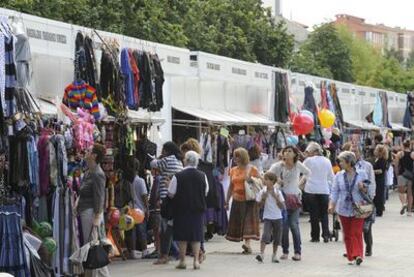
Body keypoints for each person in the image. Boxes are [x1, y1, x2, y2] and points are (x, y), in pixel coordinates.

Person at [328, 151, 374, 266]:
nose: (340, 163)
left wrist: (363, 187)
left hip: (359, 206)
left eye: (342, 161)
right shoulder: (338, 175)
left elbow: (367, 188)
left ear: (349, 162)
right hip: (343, 207)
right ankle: (351, 256)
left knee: (356, 232)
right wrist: (331, 205)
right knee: (347, 234)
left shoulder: (361, 173)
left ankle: (358, 255)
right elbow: (334, 191)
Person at [168, 151, 209, 270]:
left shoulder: (178, 176)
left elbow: (171, 193)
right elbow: (205, 191)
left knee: (182, 236)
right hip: (198, 209)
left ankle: (182, 261)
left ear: (185, 160)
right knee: (196, 236)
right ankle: (196, 261)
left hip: (181, 209)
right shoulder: (202, 175)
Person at [269, 146, 310, 261]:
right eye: (285, 151)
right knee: (284, 226)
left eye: (289, 151)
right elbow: (267, 176)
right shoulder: (278, 166)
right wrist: (276, 180)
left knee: (294, 225)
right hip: (281, 199)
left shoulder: (298, 165)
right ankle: (285, 251)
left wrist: (300, 183)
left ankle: (298, 252)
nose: (287, 153)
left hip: (295, 198)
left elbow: (307, 172)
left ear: (295, 154)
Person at [77, 143, 110, 277]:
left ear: (94, 155)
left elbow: (99, 196)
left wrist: (97, 216)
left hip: (91, 213)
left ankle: (99, 274)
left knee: (92, 246)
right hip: (86, 211)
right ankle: (96, 274)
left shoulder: (98, 173)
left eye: (89, 150)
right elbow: (84, 191)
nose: (86, 151)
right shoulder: (89, 172)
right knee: (91, 245)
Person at [150, 142, 184, 265]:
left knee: (165, 228)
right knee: (172, 227)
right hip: (176, 197)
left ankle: (165, 255)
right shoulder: (179, 161)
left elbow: (153, 164)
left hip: (167, 198)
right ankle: (178, 253)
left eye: (163, 150)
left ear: (167, 150)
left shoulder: (167, 159)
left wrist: (159, 158)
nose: (162, 152)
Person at [225, 147, 260, 254]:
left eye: (238, 156)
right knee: (240, 222)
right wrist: (227, 201)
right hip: (237, 199)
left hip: (249, 200)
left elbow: (260, 182)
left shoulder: (252, 169)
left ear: (243, 157)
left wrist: (252, 179)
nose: (235, 158)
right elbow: (231, 186)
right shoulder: (232, 170)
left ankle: (247, 244)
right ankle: (247, 245)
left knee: (247, 222)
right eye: (235, 156)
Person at [303, 142, 334, 243]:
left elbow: (303, 172)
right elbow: (330, 176)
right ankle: (326, 234)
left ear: (314, 151)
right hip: (324, 189)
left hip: (311, 189)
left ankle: (315, 236)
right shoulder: (327, 161)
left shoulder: (308, 161)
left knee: (314, 214)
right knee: (324, 213)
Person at [350, 144, 376, 257]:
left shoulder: (367, 166)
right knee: (352, 228)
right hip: (351, 200)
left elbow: (371, 181)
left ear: (359, 153)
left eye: (355, 151)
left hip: (364, 200)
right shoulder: (347, 166)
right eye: (351, 151)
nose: (352, 154)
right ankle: (354, 250)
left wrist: (370, 196)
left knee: (366, 227)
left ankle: (368, 247)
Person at [255, 172, 285, 263]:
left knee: (277, 237)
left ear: (272, 181)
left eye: (267, 179)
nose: (265, 181)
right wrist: (263, 198)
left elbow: (282, 206)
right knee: (265, 235)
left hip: (277, 217)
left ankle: (274, 255)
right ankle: (262, 254)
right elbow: (259, 206)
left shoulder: (278, 192)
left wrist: (276, 197)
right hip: (267, 217)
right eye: (265, 179)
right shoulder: (262, 191)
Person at [122, 158, 149, 259]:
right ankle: (145, 251)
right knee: (141, 231)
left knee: (131, 232)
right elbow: (144, 196)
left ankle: (133, 251)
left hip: (129, 210)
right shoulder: (140, 181)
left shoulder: (127, 181)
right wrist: (147, 209)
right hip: (139, 211)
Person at [395, 140, 413, 216]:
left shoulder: (400, 154)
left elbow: (396, 165)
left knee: (401, 191)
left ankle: (403, 203)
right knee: (410, 193)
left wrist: (396, 174)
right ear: (409, 146)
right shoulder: (412, 154)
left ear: (403, 145)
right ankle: (409, 211)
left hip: (402, 174)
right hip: (411, 176)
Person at [372, 144, 388, 217]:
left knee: (379, 195)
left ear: (380, 152)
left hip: (379, 180)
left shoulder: (382, 160)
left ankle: (379, 211)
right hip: (376, 179)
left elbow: (381, 171)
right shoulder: (377, 159)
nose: (374, 151)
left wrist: (372, 171)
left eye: (376, 150)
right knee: (376, 195)